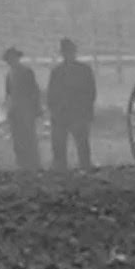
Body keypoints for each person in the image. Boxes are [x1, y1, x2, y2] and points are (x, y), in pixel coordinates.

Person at [46, 38, 96, 171]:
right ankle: (60, 169)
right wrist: (54, 110)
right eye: (66, 52)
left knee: (82, 145)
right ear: (62, 54)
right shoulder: (56, 72)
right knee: (59, 145)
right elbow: (51, 94)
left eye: (71, 52)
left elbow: (91, 92)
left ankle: (85, 167)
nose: (69, 54)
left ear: (74, 53)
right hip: (61, 113)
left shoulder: (84, 70)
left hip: (79, 112)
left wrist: (86, 111)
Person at [2, 46, 42, 171]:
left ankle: (33, 162)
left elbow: (34, 91)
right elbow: (8, 93)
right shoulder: (9, 74)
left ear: (17, 58)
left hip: (26, 109)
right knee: (17, 137)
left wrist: (36, 108)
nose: (10, 61)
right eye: (9, 59)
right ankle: (22, 162)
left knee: (28, 136)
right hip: (15, 109)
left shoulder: (26, 72)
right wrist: (8, 109)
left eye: (12, 58)